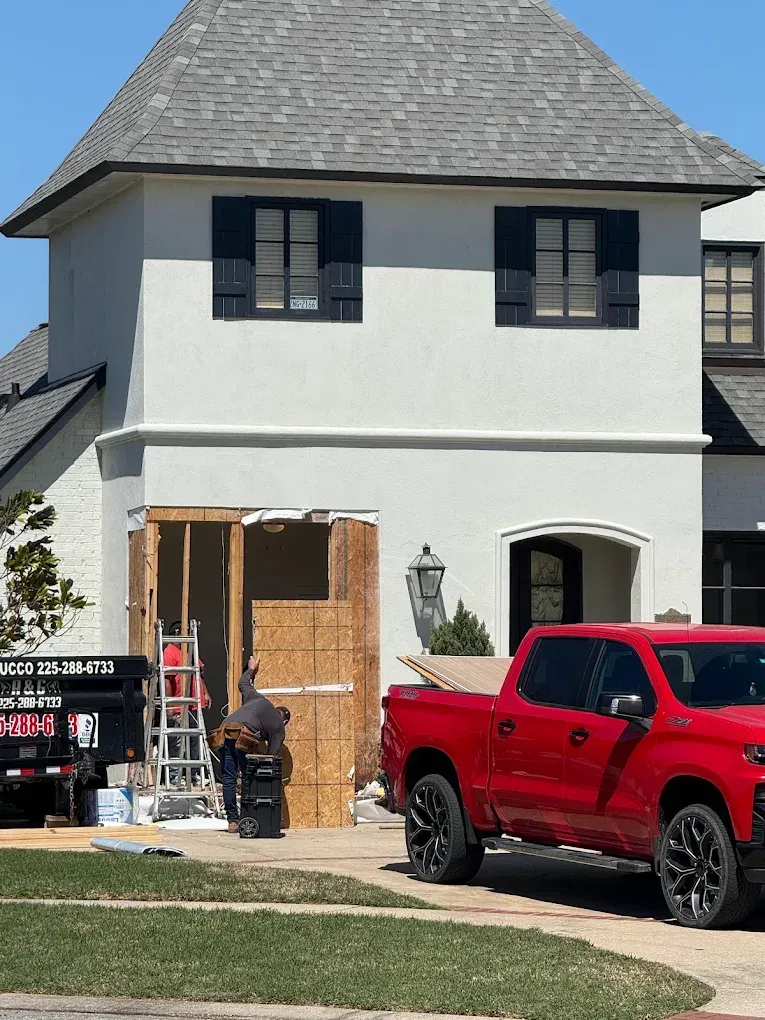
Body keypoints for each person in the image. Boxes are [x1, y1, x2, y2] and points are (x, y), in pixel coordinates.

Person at [218, 655, 290, 833]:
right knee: (250, 776)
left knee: (229, 778)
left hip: (224, 729)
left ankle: (232, 821)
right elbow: (270, 759)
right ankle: (247, 818)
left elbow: (243, 683)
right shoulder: (279, 727)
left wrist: (252, 669)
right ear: (285, 721)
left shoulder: (257, 698)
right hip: (244, 735)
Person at [163, 621, 212, 785]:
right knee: (176, 741)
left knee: (194, 740)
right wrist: (170, 705)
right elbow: (167, 680)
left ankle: (193, 775)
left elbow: (199, 673)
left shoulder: (189, 651)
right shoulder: (170, 652)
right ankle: (175, 776)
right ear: (177, 634)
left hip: (193, 705)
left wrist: (205, 693)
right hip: (179, 704)